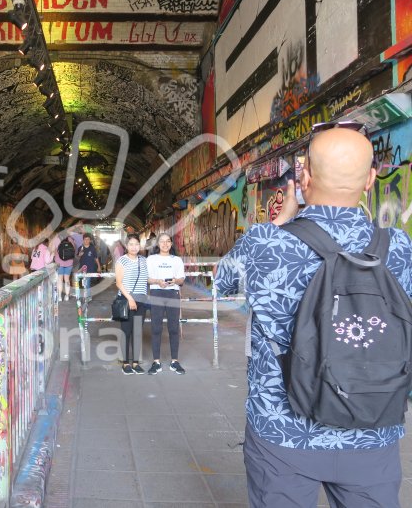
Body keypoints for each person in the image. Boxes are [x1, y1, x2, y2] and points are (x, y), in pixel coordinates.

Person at [215, 125, 412, 507]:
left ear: (303, 178)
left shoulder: (265, 243)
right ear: (371, 180)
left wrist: (280, 222)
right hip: (372, 428)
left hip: (283, 433)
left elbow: (220, 284)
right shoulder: (400, 248)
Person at [146, 233, 186, 375]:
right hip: (156, 294)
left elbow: (181, 280)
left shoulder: (177, 260)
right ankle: (156, 362)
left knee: (173, 328)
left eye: (167, 241)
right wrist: (158, 281)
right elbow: (148, 278)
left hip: (172, 294)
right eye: (162, 241)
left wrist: (175, 281)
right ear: (157, 244)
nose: (165, 244)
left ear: (171, 244)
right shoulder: (151, 259)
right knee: (156, 328)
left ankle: (174, 361)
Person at [115, 234, 149, 375]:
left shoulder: (144, 260)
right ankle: (125, 363)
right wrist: (129, 298)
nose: (134, 247)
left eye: (136, 244)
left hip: (141, 300)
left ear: (139, 245)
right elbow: (118, 282)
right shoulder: (121, 261)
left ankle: (135, 363)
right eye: (131, 244)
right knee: (126, 331)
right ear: (126, 246)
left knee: (137, 332)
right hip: (126, 300)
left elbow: (148, 279)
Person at [76, 233, 101, 300]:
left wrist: (99, 266)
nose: (86, 241)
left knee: (88, 282)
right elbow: (77, 259)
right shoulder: (80, 248)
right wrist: (79, 255)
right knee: (83, 283)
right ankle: (85, 295)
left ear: (90, 240)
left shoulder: (92, 248)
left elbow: (96, 258)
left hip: (90, 268)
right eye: (85, 239)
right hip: (82, 268)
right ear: (83, 240)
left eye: (88, 239)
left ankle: (88, 296)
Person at [55, 235, 76, 301]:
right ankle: (67, 296)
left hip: (59, 263)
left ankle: (59, 297)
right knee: (67, 279)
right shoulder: (71, 239)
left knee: (60, 280)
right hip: (69, 263)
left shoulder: (57, 239)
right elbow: (74, 250)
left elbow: (55, 251)